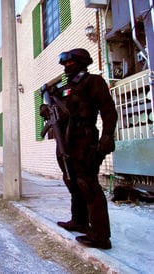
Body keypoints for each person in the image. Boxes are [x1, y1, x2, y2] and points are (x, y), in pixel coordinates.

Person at [40, 48, 118, 249]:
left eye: (70, 63)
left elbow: (108, 110)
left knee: (87, 184)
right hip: (65, 142)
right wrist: (45, 109)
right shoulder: (64, 89)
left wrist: (107, 135)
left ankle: (101, 235)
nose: (66, 67)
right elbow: (54, 111)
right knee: (72, 181)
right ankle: (79, 221)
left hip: (84, 140)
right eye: (64, 64)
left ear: (82, 63)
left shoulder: (93, 82)